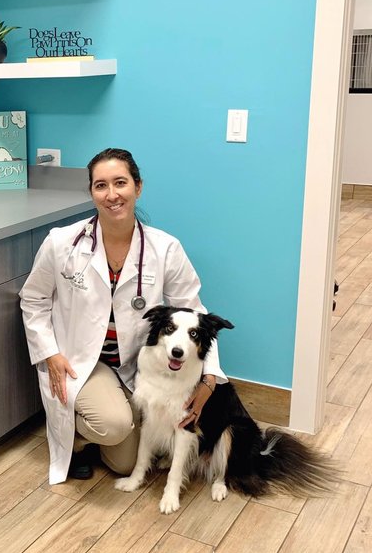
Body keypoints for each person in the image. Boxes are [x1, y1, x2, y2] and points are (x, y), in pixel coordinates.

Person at [20, 147, 226, 484]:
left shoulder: (165, 248)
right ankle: (76, 440)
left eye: (120, 183)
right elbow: (33, 299)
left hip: (135, 366)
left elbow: (194, 312)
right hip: (81, 362)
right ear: (91, 192)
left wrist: (209, 377)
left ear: (138, 187)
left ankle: (97, 427)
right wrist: (50, 353)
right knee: (114, 425)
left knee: (126, 464)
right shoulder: (62, 243)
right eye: (101, 186)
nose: (112, 195)